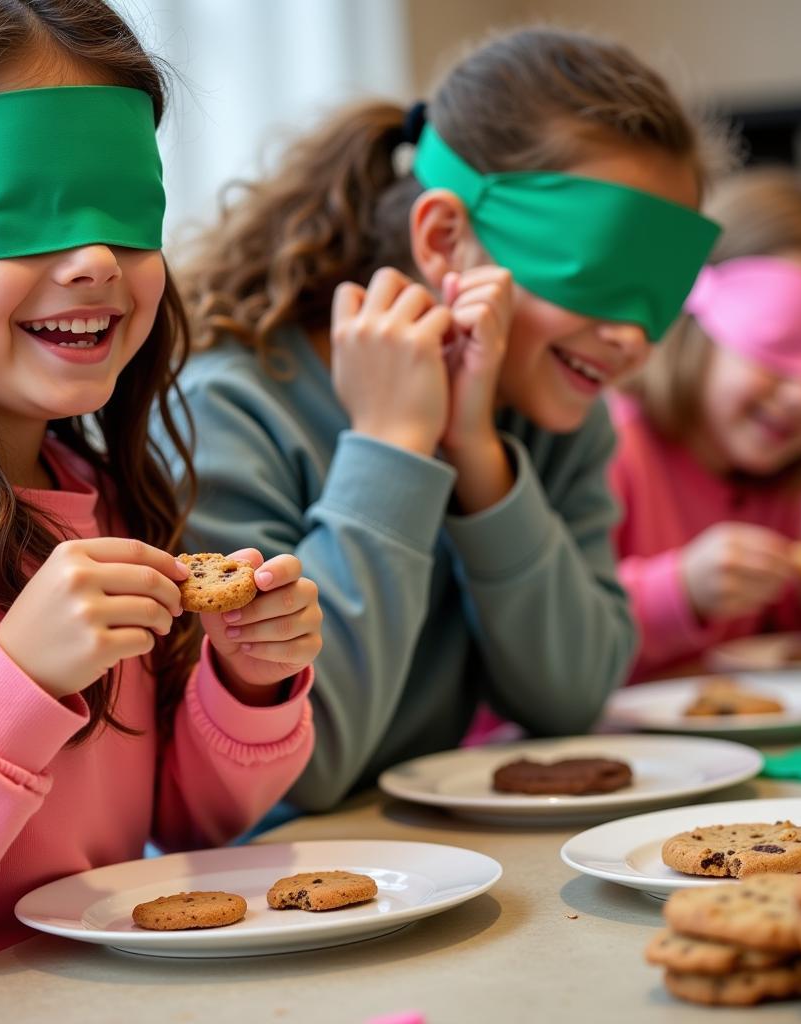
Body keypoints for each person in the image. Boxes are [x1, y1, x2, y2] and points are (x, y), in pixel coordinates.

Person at [0, 0, 321, 1008]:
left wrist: (246, 684)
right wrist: (14, 678)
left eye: (121, 207)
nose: (97, 259)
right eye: (22, 206)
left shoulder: (96, 492)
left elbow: (183, 832)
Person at [164, 26, 719, 810]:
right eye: (596, 273)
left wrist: (478, 460)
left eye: (656, 290)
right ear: (445, 238)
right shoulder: (224, 412)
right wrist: (392, 447)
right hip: (267, 885)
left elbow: (570, 697)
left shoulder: (550, 419)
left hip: (447, 873)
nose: (632, 335)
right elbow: (306, 764)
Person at [611, 167, 801, 682]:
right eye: (780, 343)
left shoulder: (775, 481)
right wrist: (679, 591)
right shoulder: (611, 448)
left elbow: (761, 650)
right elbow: (544, 633)